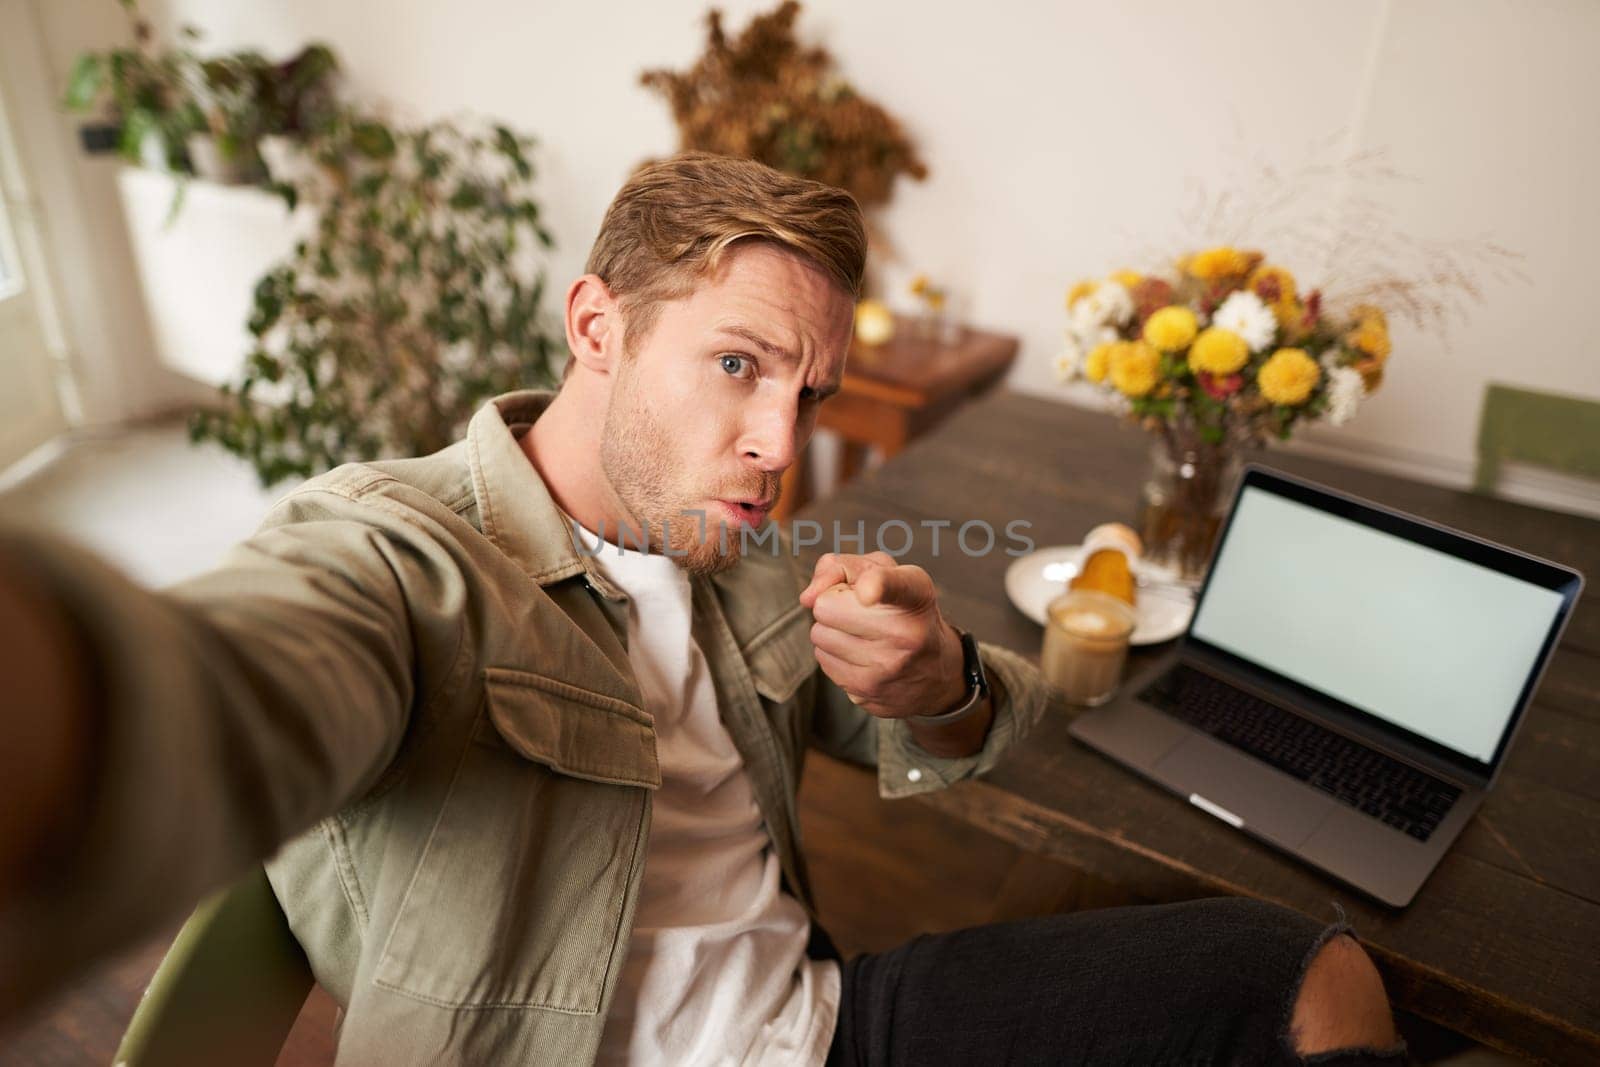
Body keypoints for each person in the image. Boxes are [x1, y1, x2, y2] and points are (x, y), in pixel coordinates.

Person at [0, 152, 1409, 1065]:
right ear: (597, 327)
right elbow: (227, 691)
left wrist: (943, 687)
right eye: (737, 365)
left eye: (805, 394)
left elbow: (1008, 713)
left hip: (826, 1031)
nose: (779, 444)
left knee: (1310, 971)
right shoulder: (403, 558)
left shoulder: (736, 564)